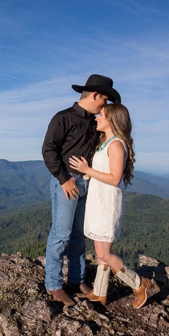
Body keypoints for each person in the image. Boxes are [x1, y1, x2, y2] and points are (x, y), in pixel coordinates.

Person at [41, 74, 119, 307]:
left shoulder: (95, 122)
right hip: (68, 181)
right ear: (95, 95)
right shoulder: (63, 118)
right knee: (61, 234)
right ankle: (54, 284)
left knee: (78, 235)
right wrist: (64, 179)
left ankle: (76, 279)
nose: (104, 107)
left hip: (89, 182)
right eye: (105, 101)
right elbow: (48, 150)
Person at [68, 104, 153, 308]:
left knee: (105, 253)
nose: (97, 117)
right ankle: (99, 292)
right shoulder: (105, 143)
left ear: (113, 120)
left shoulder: (116, 145)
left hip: (107, 203)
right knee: (101, 252)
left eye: (102, 115)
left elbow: (115, 179)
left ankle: (139, 284)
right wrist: (89, 171)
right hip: (99, 200)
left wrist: (87, 168)